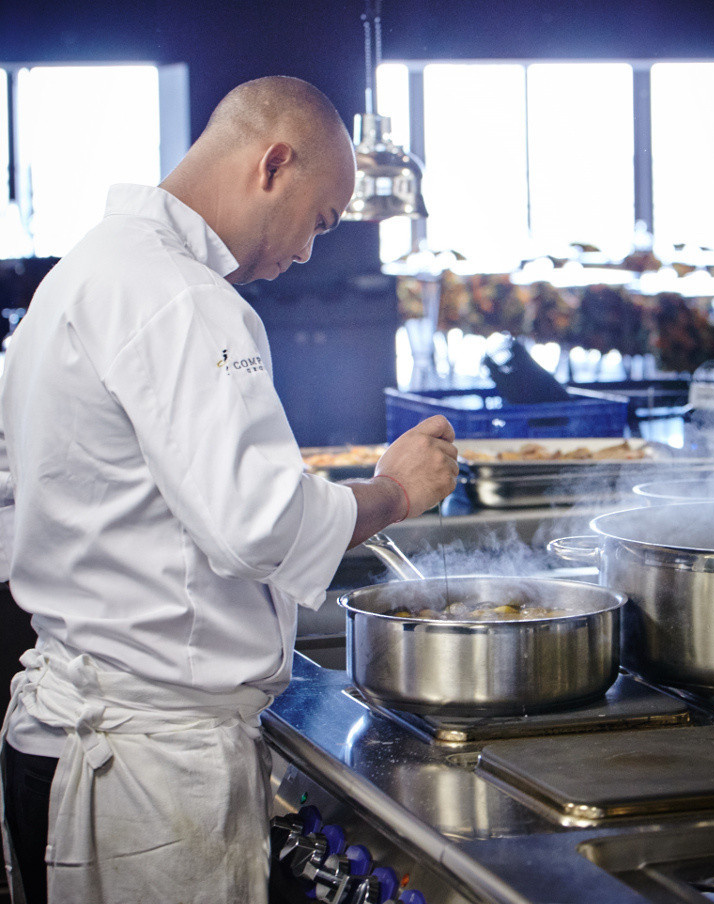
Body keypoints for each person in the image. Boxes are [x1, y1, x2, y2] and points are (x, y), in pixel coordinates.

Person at [0, 75, 458, 904]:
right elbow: (261, 525)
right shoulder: (179, 295)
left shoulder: (85, 271)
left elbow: (24, 491)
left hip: (69, 736)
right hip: (146, 776)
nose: (309, 253)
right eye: (319, 220)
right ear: (273, 163)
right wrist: (392, 491)